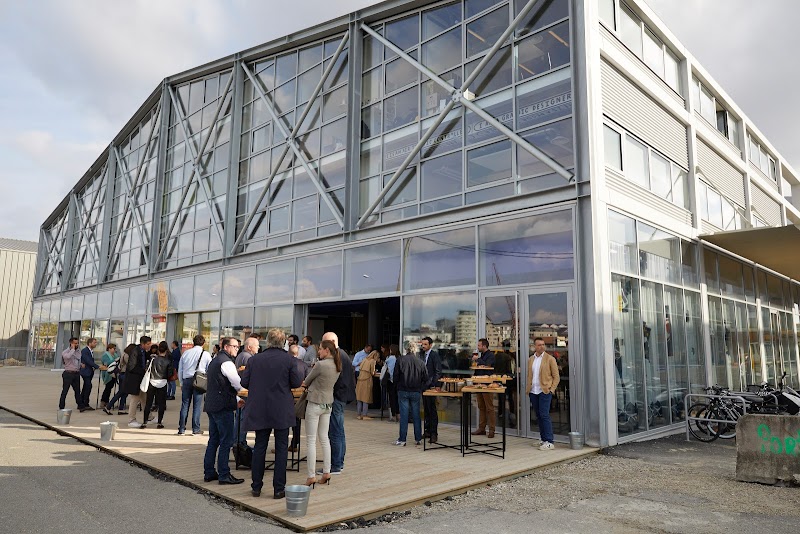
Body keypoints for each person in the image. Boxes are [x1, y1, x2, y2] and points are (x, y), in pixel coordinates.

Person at [241, 329, 303, 499]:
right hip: (281, 408)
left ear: (267, 342)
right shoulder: (289, 360)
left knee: (260, 446)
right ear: (284, 343)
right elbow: (296, 382)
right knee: (282, 448)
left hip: (260, 407)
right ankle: (278, 488)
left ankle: (256, 486)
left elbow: (244, 382)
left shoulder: (254, 360)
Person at [203, 337, 245, 485]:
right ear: (226, 347)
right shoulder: (226, 362)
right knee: (226, 441)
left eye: (238, 347)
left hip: (212, 404)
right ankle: (224, 474)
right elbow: (237, 383)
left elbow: (220, 384)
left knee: (213, 440)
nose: (237, 349)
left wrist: (237, 399)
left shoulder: (216, 359)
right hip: (222, 406)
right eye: (235, 346)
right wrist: (243, 394)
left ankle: (209, 472)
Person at [301, 338, 340, 488]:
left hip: (315, 402)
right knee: (324, 439)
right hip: (328, 403)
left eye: (321, 349)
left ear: (327, 350)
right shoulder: (337, 365)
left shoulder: (320, 365)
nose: (318, 351)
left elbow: (306, 381)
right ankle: (327, 471)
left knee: (311, 440)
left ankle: (311, 476)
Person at [322, 331, 355, 475]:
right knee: (339, 431)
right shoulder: (343, 354)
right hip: (342, 397)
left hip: (337, 397)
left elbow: (336, 379)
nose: (322, 347)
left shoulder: (337, 356)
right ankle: (339, 462)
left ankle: (336, 464)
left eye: (324, 344)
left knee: (335, 431)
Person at [526, 337, 560, 450]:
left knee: (544, 415)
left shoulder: (550, 359)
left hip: (544, 391)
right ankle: (543, 439)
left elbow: (556, 377)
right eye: (539, 345)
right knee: (539, 416)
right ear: (534, 346)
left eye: (543, 344)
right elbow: (530, 375)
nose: (542, 346)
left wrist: (551, 389)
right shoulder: (531, 359)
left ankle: (549, 441)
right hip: (533, 391)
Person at [393, 343, 428, 446]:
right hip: (416, 390)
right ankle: (418, 438)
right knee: (416, 415)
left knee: (404, 415)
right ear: (415, 350)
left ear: (405, 349)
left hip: (403, 390)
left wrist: (397, 387)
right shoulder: (420, 362)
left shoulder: (400, 360)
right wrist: (421, 387)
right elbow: (426, 378)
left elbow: (395, 376)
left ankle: (402, 439)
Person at [177, 335, 212, 436]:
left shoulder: (186, 353)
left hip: (187, 379)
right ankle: (195, 429)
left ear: (193, 343)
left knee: (185, 404)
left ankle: (181, 429)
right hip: (199, 380)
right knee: (197, 406)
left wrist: (181, 382)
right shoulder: (205, 354)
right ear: (203, 343)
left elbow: (180, 368)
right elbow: (209, 368)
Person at [142, 341, 174, 429]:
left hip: (152, 382)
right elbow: (170, 373)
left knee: (148, 402)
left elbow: (147, 369)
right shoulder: (168, 361)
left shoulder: (153, 360)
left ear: (158, 350)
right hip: (162, 382)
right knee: (161, 404)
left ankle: (144, 422)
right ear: (166, 350)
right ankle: (159, 422)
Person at [122, 336, 152, 428]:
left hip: (140, 379)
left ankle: (149, 417)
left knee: (144, 398)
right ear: (142, 344)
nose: (149, 346)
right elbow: (131, 366)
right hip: (134, 379)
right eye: (148, 344)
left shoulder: (143, 352)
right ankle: (131, 419)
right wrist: (143, 370)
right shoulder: (135, 351)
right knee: (135, 399)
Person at [235, 336, 259, 449]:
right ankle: (240, 441)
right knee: (243, 418)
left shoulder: (242, 355)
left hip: (241, 391)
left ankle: (238, 440)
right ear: (249, 347)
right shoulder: (248, 357)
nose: (258, 347)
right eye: (256, 345)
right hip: (245, 391)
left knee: (240, 417)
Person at [472, 338, 497, 438]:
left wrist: (477, 359)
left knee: (489, 408)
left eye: (479, 346)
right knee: (481, 407)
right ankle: (482, 428)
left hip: (487, 384)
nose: (477, 347)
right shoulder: (482, 355)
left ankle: (492, 430)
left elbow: (487, 366)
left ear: (484, 346)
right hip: (479, 383)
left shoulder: (490, 355)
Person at [288, 344, 310, 453]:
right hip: (300, 397)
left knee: (284, 421)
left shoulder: (286, 363)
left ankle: (282, 445)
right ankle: (294, 443)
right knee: (297, 421)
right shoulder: (304, 365)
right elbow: (307, 381)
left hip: (287, 396)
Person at [420, 336, 442, 443]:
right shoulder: (421, 355)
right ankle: (427, 431)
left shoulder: (434, 355)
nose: (423, 346)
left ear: (430, 345)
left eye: (425, 344)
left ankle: (434, 433)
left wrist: (434, 384)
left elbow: (438, 371)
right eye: (422, 344)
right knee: (426, 409)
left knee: (432, 410)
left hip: (431, 386)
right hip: (423, 386)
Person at [105, 343, 136, 415]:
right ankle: (108, 406)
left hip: (122, 374)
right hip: (125, 374)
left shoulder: (124, 354)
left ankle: (121, 408)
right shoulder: (127, 355)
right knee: (121, 392)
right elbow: (130, 365)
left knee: (124, 392)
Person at [58, 337, 82, 411]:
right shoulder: (65, 352)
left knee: (77, 391)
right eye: (75, 343)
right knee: (65, 390)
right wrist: (72, 349)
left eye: (77, 343)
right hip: (68, 373)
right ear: (71, 343)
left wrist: (75, 350)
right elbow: (67, 357)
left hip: (76, 373)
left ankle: (80, 405)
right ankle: (61, 406)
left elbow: (78, 357)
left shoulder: (77, 351)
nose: (76, 344)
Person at [355, 350, 379, 420]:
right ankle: (364, 415)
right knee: (366, 397)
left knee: (359, 398)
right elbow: (372, 372)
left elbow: (359, 368)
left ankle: (359, 415)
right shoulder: (372, 361)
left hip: (360, 380)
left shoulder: (364, 359)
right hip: (367, 380)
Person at [78, 338, 99, 411]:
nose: (95, 344)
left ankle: (82, 402)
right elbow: (88, 361)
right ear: (90, 343)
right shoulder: (85, 351)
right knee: (88, 386)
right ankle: (84, 403)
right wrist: (98, 367)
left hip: (89, 371)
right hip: (85, 371)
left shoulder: (90, 351)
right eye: (94, 342)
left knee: (86, 387)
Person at [99, 343, 118, 409]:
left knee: (110, 387)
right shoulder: (105, 355)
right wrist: (114, 360)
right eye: (113, 349)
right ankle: (103, 401)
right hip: (107, 373)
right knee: (108, 387)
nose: (114, 350)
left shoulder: (115, 355)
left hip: (114, 373)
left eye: (115, 349)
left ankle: (106, 400)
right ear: (109, 349)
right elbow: (106, 363)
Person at [385, 344, 400, 422]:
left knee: (392, 398)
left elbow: (390, 371)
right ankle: (398, 415)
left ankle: (393, 415)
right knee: (397, 398)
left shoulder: (390, 358)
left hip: (392, 381)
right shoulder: (399, 357)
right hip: (398, 381)